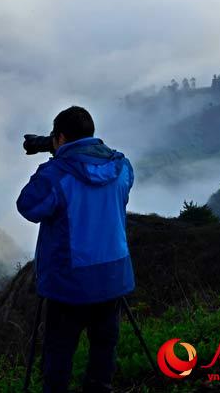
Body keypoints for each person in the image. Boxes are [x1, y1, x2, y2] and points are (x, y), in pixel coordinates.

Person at [17, 106, 135, 393]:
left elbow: (28, 206)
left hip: (69, 284)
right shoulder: (122, 167)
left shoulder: (56, 174)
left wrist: (52, 163)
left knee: (58, 358)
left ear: (59, 138)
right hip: (112, 278)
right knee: (103, 351)